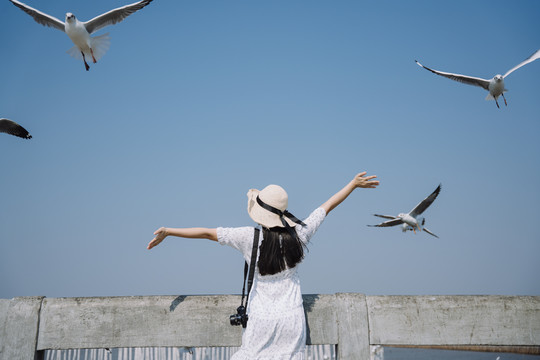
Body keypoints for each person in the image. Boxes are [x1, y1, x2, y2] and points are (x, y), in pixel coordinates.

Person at [147, 171, 379, 359]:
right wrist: (352, 184)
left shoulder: (249, 237)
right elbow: (326, 207)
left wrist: (169, 231)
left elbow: (208, 233)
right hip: (292, 319)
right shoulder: (300, 234)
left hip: (261, 320)